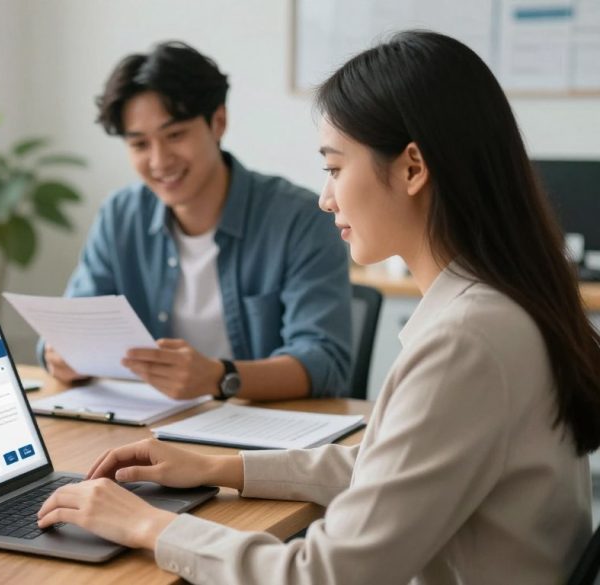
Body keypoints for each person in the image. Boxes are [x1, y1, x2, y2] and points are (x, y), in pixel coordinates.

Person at [36, 31, 600, 583]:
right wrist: (218, 466)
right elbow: (390, 469)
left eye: (334, 167)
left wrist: (148, 525)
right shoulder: (497, 307)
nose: (327, 196)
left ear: (411, 168)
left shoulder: (466, 342)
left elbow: (327, 572)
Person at [43, 41, 352, 401]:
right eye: (140, 144)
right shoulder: (120, 216)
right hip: (149, 428)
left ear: (218, 121)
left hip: (266, 435)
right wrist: (60, 357)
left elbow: (324, 360)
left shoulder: (299, 219)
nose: (159, 161)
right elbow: (70, 329)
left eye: (175, 135)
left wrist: (219, 377)